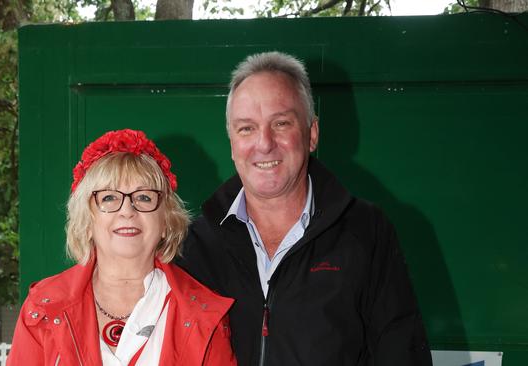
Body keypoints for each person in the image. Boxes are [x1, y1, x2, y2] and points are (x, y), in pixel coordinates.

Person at [178, 52, 432, 366]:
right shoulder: (194, 245)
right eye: (246, 129)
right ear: (231, 143)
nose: (264, 143)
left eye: (281, 123)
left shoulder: (367, 231)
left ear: (312, 134)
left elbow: (401, 354)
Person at [8, 129, 236, 366]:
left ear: (167, 221)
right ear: (86, 221)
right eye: (108, 198)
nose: (127, 210)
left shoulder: (205, 315)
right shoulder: (43, 307)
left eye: (144, 197)